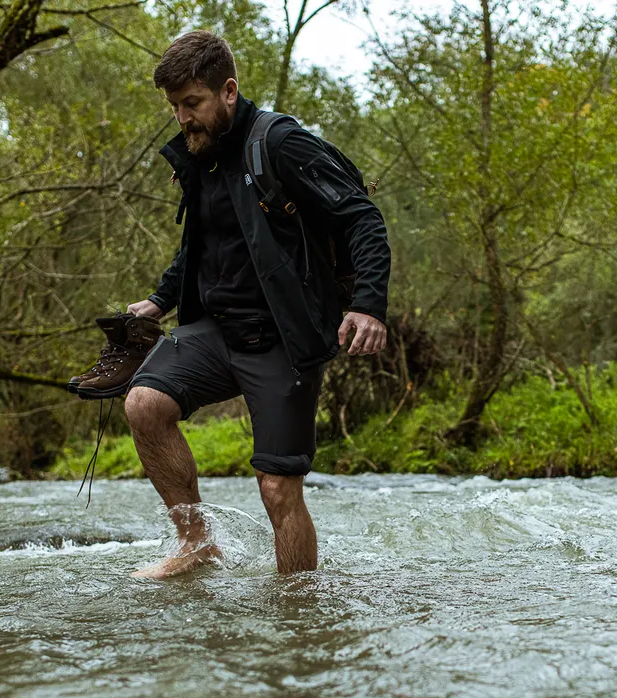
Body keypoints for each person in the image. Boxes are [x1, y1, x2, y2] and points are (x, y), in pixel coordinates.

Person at [80, 31, 390, 578]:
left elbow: (360, 217)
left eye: (191, 103)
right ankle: (196, 544)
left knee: (277, 489)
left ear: (228, 90)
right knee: (144, 405)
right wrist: (158, 301)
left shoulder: (281, 144)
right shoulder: (200, 160)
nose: (182, 118)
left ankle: (300, 609)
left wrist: (368, 304)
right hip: (216, 330)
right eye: (174, 106)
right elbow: (199, 247)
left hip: (283, 341)